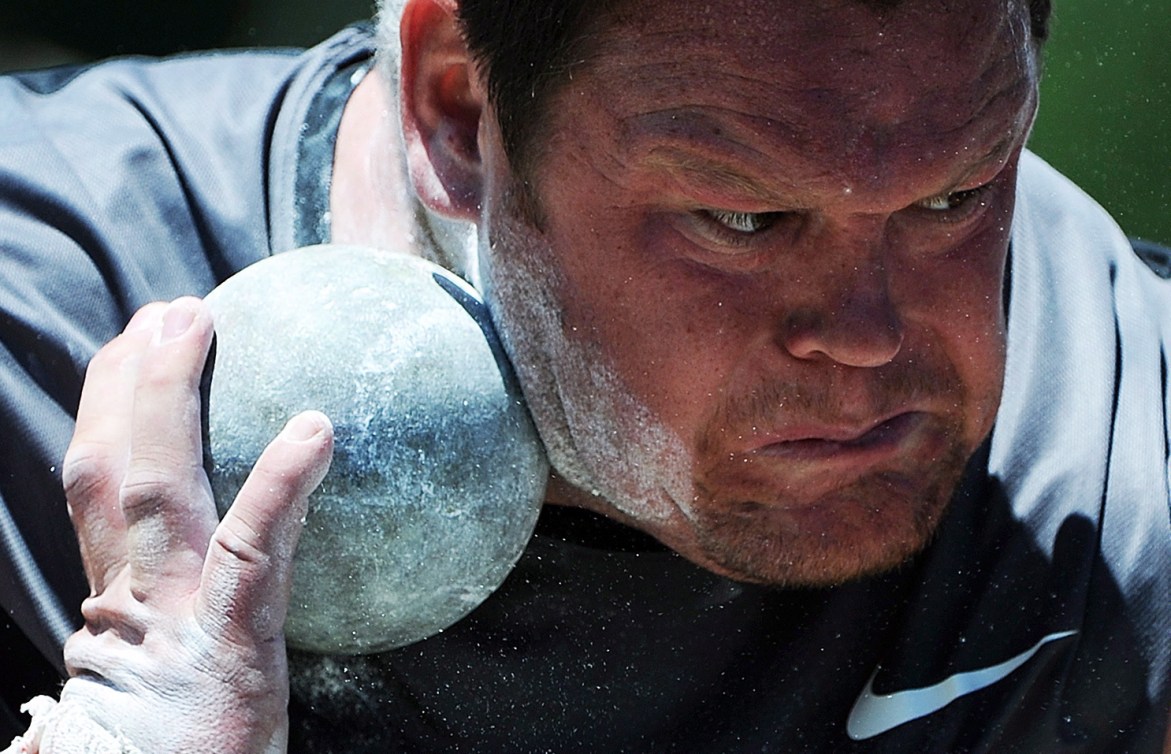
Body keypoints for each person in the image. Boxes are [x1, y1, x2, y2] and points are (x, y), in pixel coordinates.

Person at [0, 0, 1168, 751]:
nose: (866, 334)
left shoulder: (1121, 456)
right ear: (456, 107)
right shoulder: (30, 333)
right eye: (746, 216)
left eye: (952, 197)